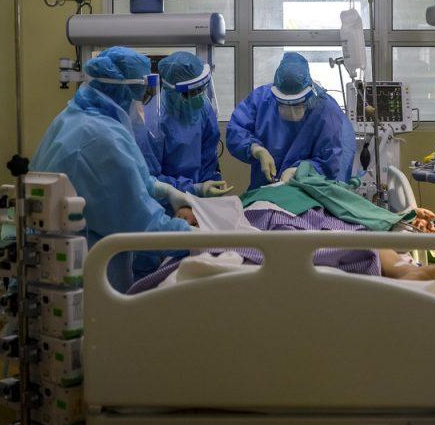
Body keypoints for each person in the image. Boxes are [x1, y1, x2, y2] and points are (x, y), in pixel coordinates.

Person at [32, 46, 193, 292]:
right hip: (82, 279)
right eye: (142, 95)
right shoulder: (101, 139)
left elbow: (125, 177)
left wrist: (162, 189)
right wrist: (196, 236)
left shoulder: (74, 118)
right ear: (125, 91)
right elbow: (142, 226)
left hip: (56, 264)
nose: (143, 104)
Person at [227, 52, 356, 190]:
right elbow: (237, 130)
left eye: (297, 104)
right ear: (275, 95)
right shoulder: (261, 99)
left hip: (309, 192)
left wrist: (301, 171)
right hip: (264, 191)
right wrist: (257, 150)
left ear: (308, 95)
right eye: (284, 104)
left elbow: (335, 161)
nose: (291, 112)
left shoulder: (326, 110)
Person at [153, 51, 232, 197]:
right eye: (194, 91)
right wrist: (191, 190)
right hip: (167, 202)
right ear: (173, 91)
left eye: (202, 88)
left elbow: (208, 156)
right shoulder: (154, 120)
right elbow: (150, 179)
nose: (200, 94)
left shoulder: (202, 108)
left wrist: (209, 185)